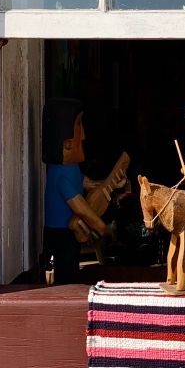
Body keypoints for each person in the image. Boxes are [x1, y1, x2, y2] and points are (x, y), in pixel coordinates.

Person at [41, 99, 128, 284]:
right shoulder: (60, 175)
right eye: (79, 125)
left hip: (68, 232)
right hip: (60, 233)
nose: (84, 136)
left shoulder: (71, 171)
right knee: (63, 272)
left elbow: (89, 184)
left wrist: (111, 184)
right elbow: (79, 205)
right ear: (67, 144)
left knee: (70, 267)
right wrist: (101, 227)